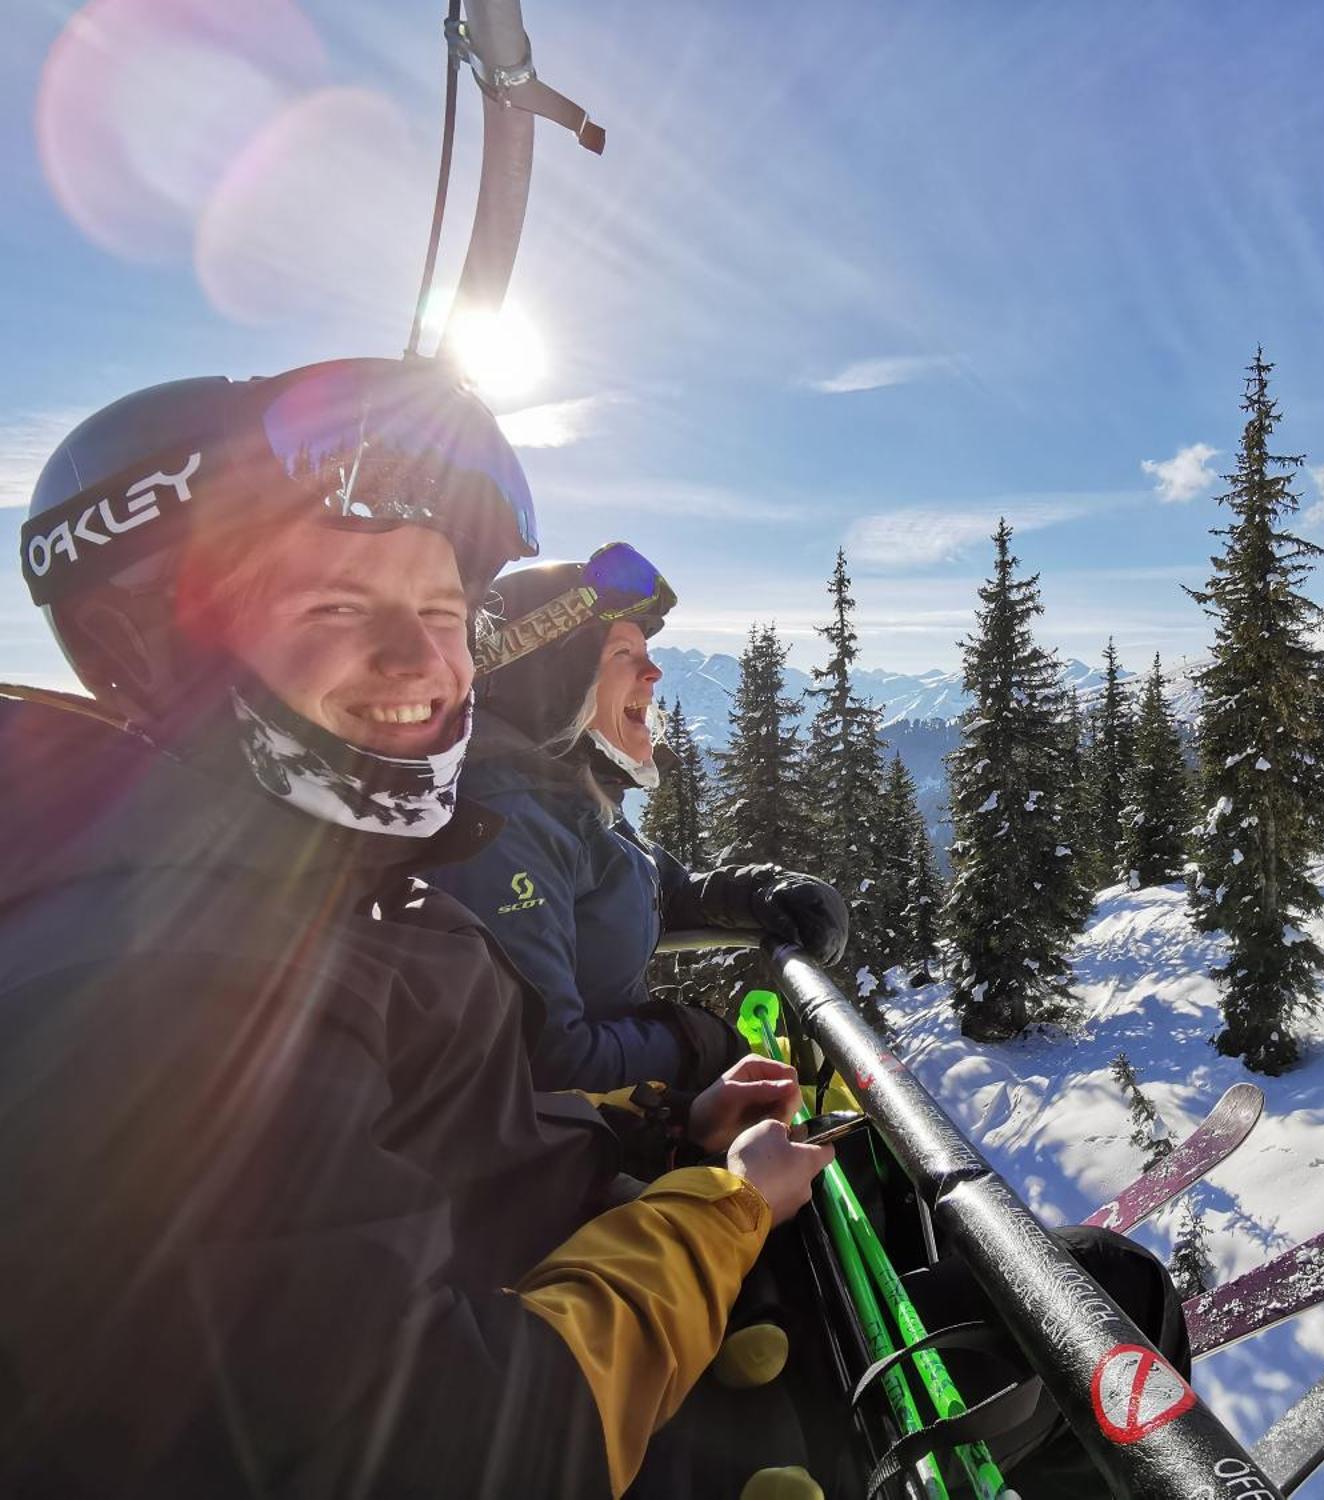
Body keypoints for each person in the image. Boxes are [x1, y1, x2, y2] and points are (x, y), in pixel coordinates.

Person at [0, 357, 836, 1498]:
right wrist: (723, 1206)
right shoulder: (159, 996)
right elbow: (448, 1449)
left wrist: (663, 1124)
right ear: (153, 653)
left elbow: (461, 1127)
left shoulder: (328, 879)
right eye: (335, 607)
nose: (420, 663)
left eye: (443, 612)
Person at [425, 546, 848, 1094]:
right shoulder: (505, 824)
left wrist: (758, 894)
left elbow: (649, 891)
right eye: (623, 652)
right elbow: (546, 1062)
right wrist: (698, 1043)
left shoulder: (567, 797)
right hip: (579, 1153)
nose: (653, 671)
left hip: (614, 1125)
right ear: (551, 682)